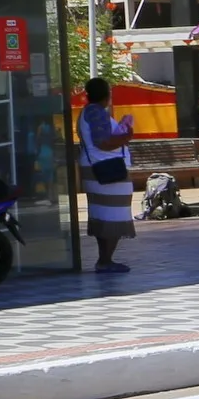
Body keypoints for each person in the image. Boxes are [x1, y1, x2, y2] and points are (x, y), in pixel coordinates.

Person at [78, 77, 135, 272]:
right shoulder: (96, 113)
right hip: (107, 172)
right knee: (114, 215)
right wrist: (126, 135)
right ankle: (105, 260)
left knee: (103, 215)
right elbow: (103, 142)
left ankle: (105, 258)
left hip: (96, 170)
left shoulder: (88, 112)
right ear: (106, 94)